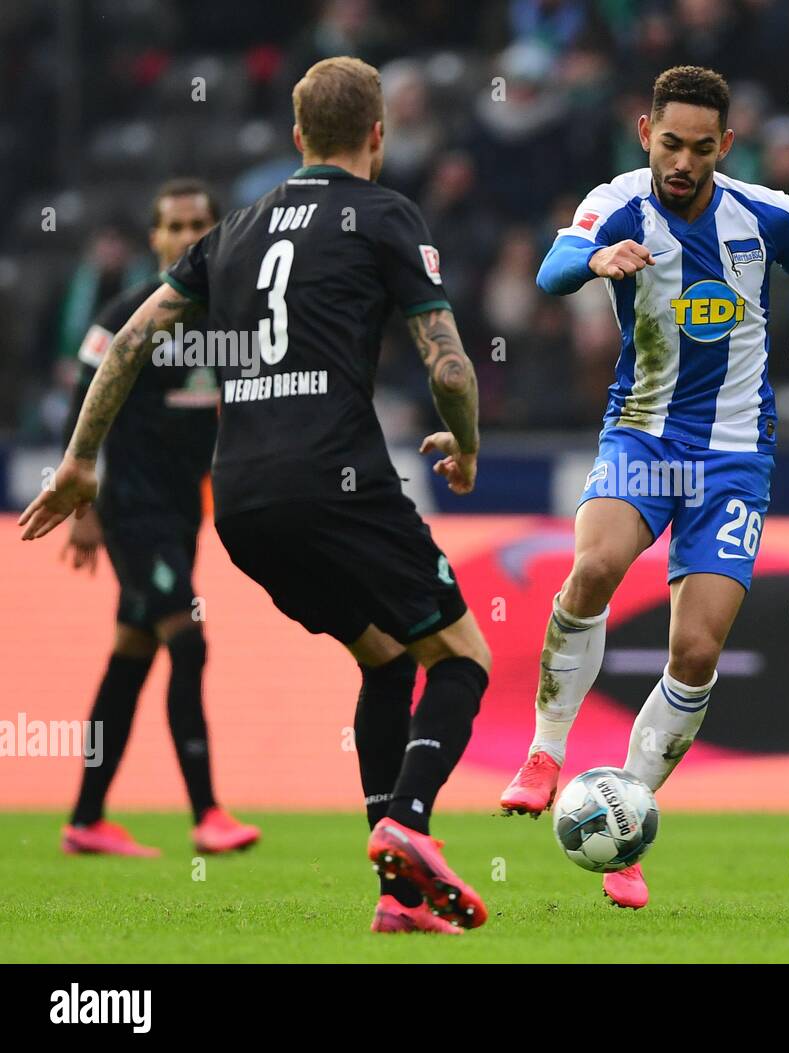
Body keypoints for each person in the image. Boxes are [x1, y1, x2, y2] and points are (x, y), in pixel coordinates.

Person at [22, 57, 490, 936]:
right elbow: (451, 364)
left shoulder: (232, 231)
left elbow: (127, 341)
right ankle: (410, 823)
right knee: (463, 658)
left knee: (387, 658)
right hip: (338, 483)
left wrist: (80, 458)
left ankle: (396, 898)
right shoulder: (385, 215)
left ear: (294, 136)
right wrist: (464, 443)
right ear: (378, 135)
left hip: (239, 504)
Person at [499, 65, 789, 909]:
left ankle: (632, 811)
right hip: (643, 433)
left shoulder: (767, 216)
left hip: (732, 458)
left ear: (727, 144)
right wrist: (595, 261)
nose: (682, 160)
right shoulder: (617, 201)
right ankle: (545, 749)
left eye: (700, 146)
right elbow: (552, 269)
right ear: (646, 134)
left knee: (697, 649)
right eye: (669, 143)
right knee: (594, 568)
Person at [59, 179, 260, 859]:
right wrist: (83, 505)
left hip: (180, 514)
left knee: (131, 656)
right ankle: (207, 812)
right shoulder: (126, 317)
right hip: (130, 509)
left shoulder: (229, 322)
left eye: (198, 223)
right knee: (190, 638)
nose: (185, 236)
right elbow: (80, 407)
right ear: (154, 238)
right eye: (172, 225)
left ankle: (86, 817)